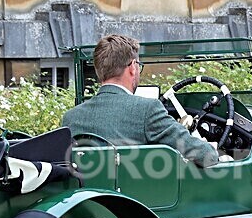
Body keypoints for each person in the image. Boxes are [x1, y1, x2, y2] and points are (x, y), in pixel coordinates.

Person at [61, 34, 220, 167]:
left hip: (90, 200)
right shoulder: (147, 110)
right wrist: (212, 149)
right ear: (132, 67)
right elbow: (206, 156)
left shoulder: (71, 117)